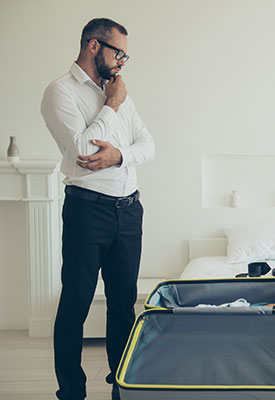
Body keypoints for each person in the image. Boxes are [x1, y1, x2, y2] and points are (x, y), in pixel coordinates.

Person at [41, 18, 154, 400]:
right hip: (88, 212)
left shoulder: (118, 89)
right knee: (76, 302)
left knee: (123, 304)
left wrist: (120, 155)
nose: (122, 61)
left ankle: (122, 381)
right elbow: (84, 151)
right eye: (118, 52)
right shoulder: (60, 92)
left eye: (125, 54)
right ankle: (71, 391)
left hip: (129, 211)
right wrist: (112, 106)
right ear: (93, 46)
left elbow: (148, 144)